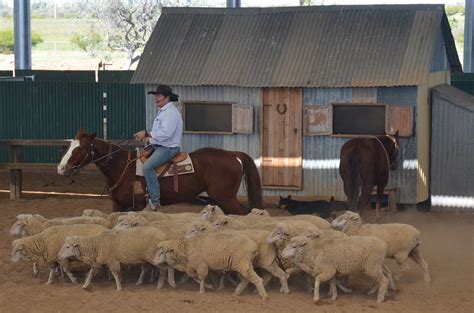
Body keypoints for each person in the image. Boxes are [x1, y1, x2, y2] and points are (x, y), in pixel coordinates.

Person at [134, 85, 183, 210]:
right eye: (155, 96)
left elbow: (166, 133)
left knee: (147, 167)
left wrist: (147, 134)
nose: (156, 98)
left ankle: (154, 202)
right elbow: (160, 133)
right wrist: (149, 139)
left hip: (168, 148)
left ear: (167, 97)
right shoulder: (164, 111)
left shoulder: (170, 113)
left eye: (159, 96)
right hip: (159, 146)